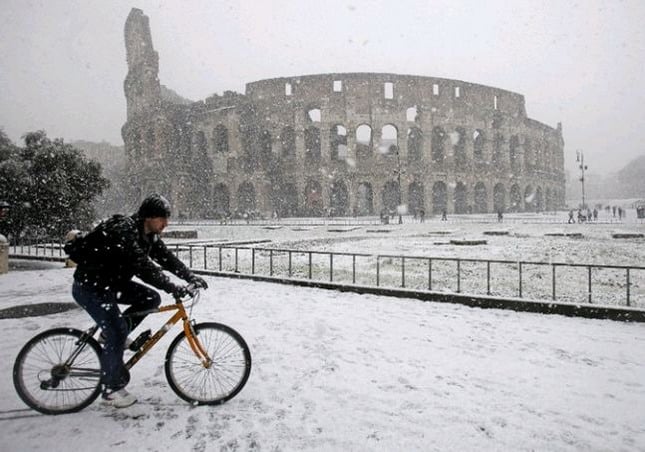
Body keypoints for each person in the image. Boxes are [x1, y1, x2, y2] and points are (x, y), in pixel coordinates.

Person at [68, 194, 208, 408]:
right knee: (117, 330)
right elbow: (143, 267)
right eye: (162, 218)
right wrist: (172, 287)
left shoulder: (148, 235)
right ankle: (111, 388)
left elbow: (166, 258)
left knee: (151, 298)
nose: (166, 224)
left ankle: (111, 334)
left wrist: (190, 276)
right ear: (149, 217)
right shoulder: (125, 232)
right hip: (91, 287)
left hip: (110, 284)